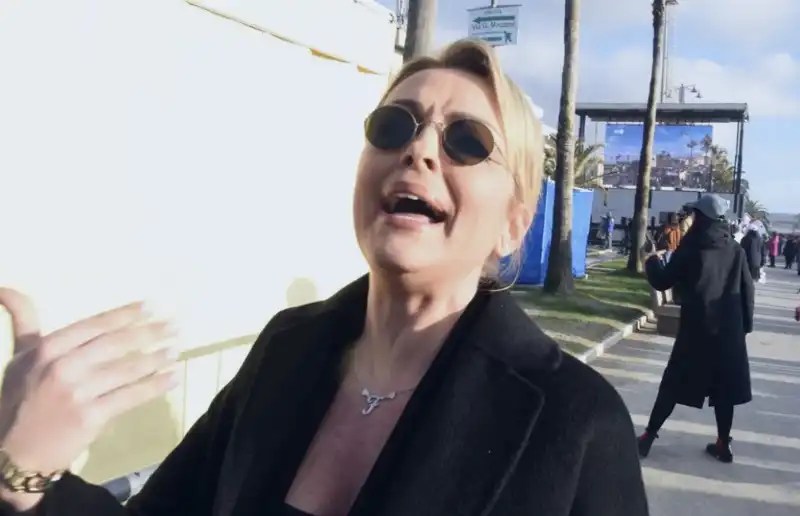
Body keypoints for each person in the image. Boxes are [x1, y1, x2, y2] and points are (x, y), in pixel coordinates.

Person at [0, 40, 649, 516]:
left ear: (514, 222)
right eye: (394, 126)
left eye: (467, 142)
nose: (419, 149)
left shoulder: (576, 423)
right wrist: (23, 472)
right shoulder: (287, 347)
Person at [637, 194, 754, 464]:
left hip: (695, 333)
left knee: (672, 385)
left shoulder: (690, 248)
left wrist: (652, 259)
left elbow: (662, 281)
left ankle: (647, 438)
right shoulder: (736, 250)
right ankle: (723, 444)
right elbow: (747, 291)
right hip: (728, 333)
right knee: (724, 391)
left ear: (701, 218)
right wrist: (744, 327)